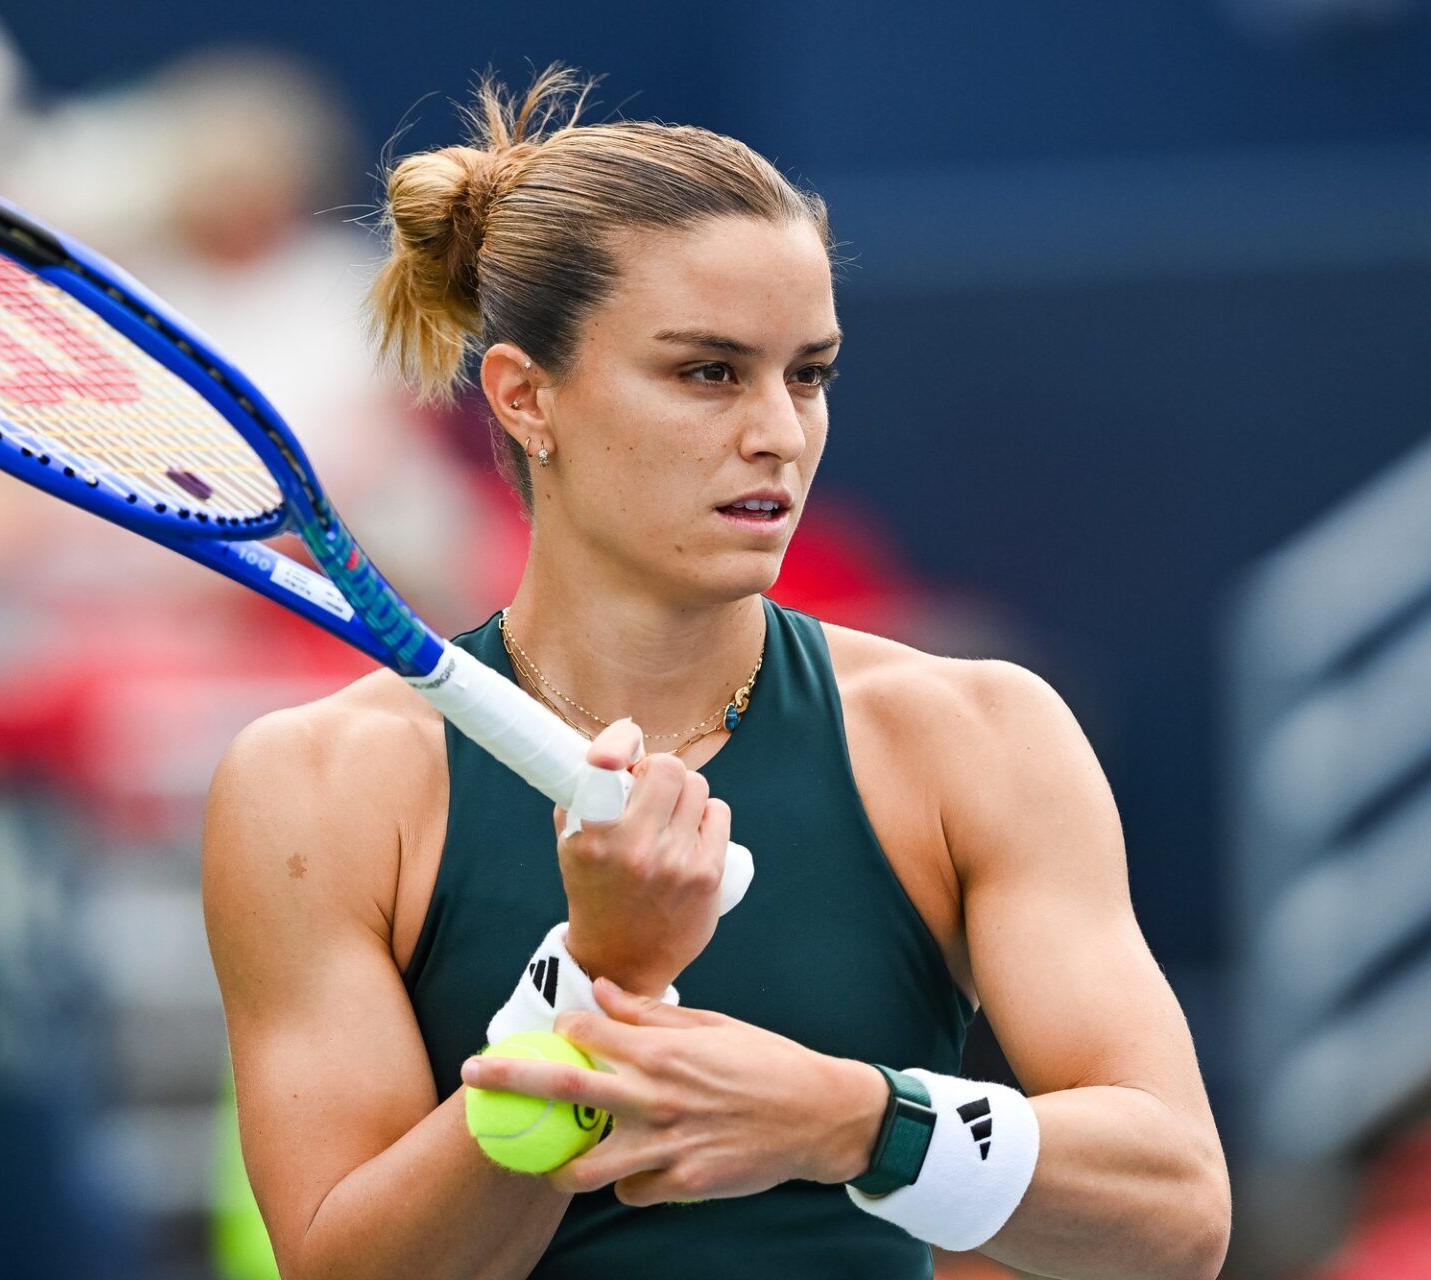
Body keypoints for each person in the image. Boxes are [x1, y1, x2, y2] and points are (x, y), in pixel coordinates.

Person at [201, 69, 1230, 1279]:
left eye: (809, 374)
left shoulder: (979, 734)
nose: (779, 432)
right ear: (527, 397)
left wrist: (851, 1119)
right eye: (708, 372)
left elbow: (1176, 1209)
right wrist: (594, 980)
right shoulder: (317, 784)